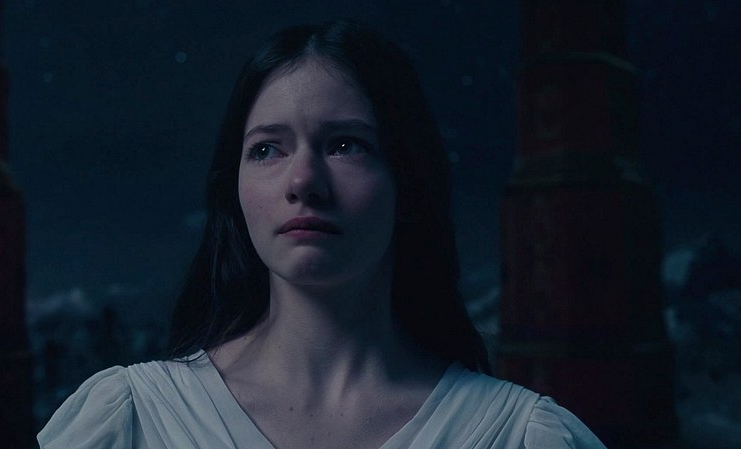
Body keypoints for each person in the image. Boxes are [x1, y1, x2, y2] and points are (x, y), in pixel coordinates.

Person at [38, 19, 606, 449]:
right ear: (234, 187)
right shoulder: (134, 420)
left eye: (345, 145)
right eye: (267, 149)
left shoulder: (519, 436)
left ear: (407, 181)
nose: (303, 180)